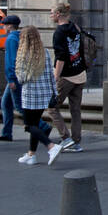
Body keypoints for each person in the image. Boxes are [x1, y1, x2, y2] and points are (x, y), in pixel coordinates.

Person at [14, 25, 66, 166]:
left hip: (30, 94)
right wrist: (54, 93)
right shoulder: (45, 52)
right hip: (44, 93)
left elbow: (21, 78)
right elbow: (51, 74)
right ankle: (31, 154)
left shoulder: (23, 54)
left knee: (29, 125)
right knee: (35, 124)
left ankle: (51, 146)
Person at [46, 2, 86, 153]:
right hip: (80, 73)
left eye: (51, 13)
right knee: (75, 110)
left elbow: (61, 57)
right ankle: (76, 142)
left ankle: (66, 138)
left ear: (58, 15)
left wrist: (56, 77)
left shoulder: (59, 32)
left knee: (52, 108)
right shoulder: (75, 27)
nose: (50, 15)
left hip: (67, 76)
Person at [0, 15, 23, 142]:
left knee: (20, 107)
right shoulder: (20, 36)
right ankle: (7, 133)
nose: (3, 27)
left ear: (10, 25)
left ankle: (42, 127)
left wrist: (11, 79)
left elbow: (11, 61)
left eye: (4, 25)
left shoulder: (11, 38)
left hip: (14, 77)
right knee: (6, 103)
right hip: (18, 75)